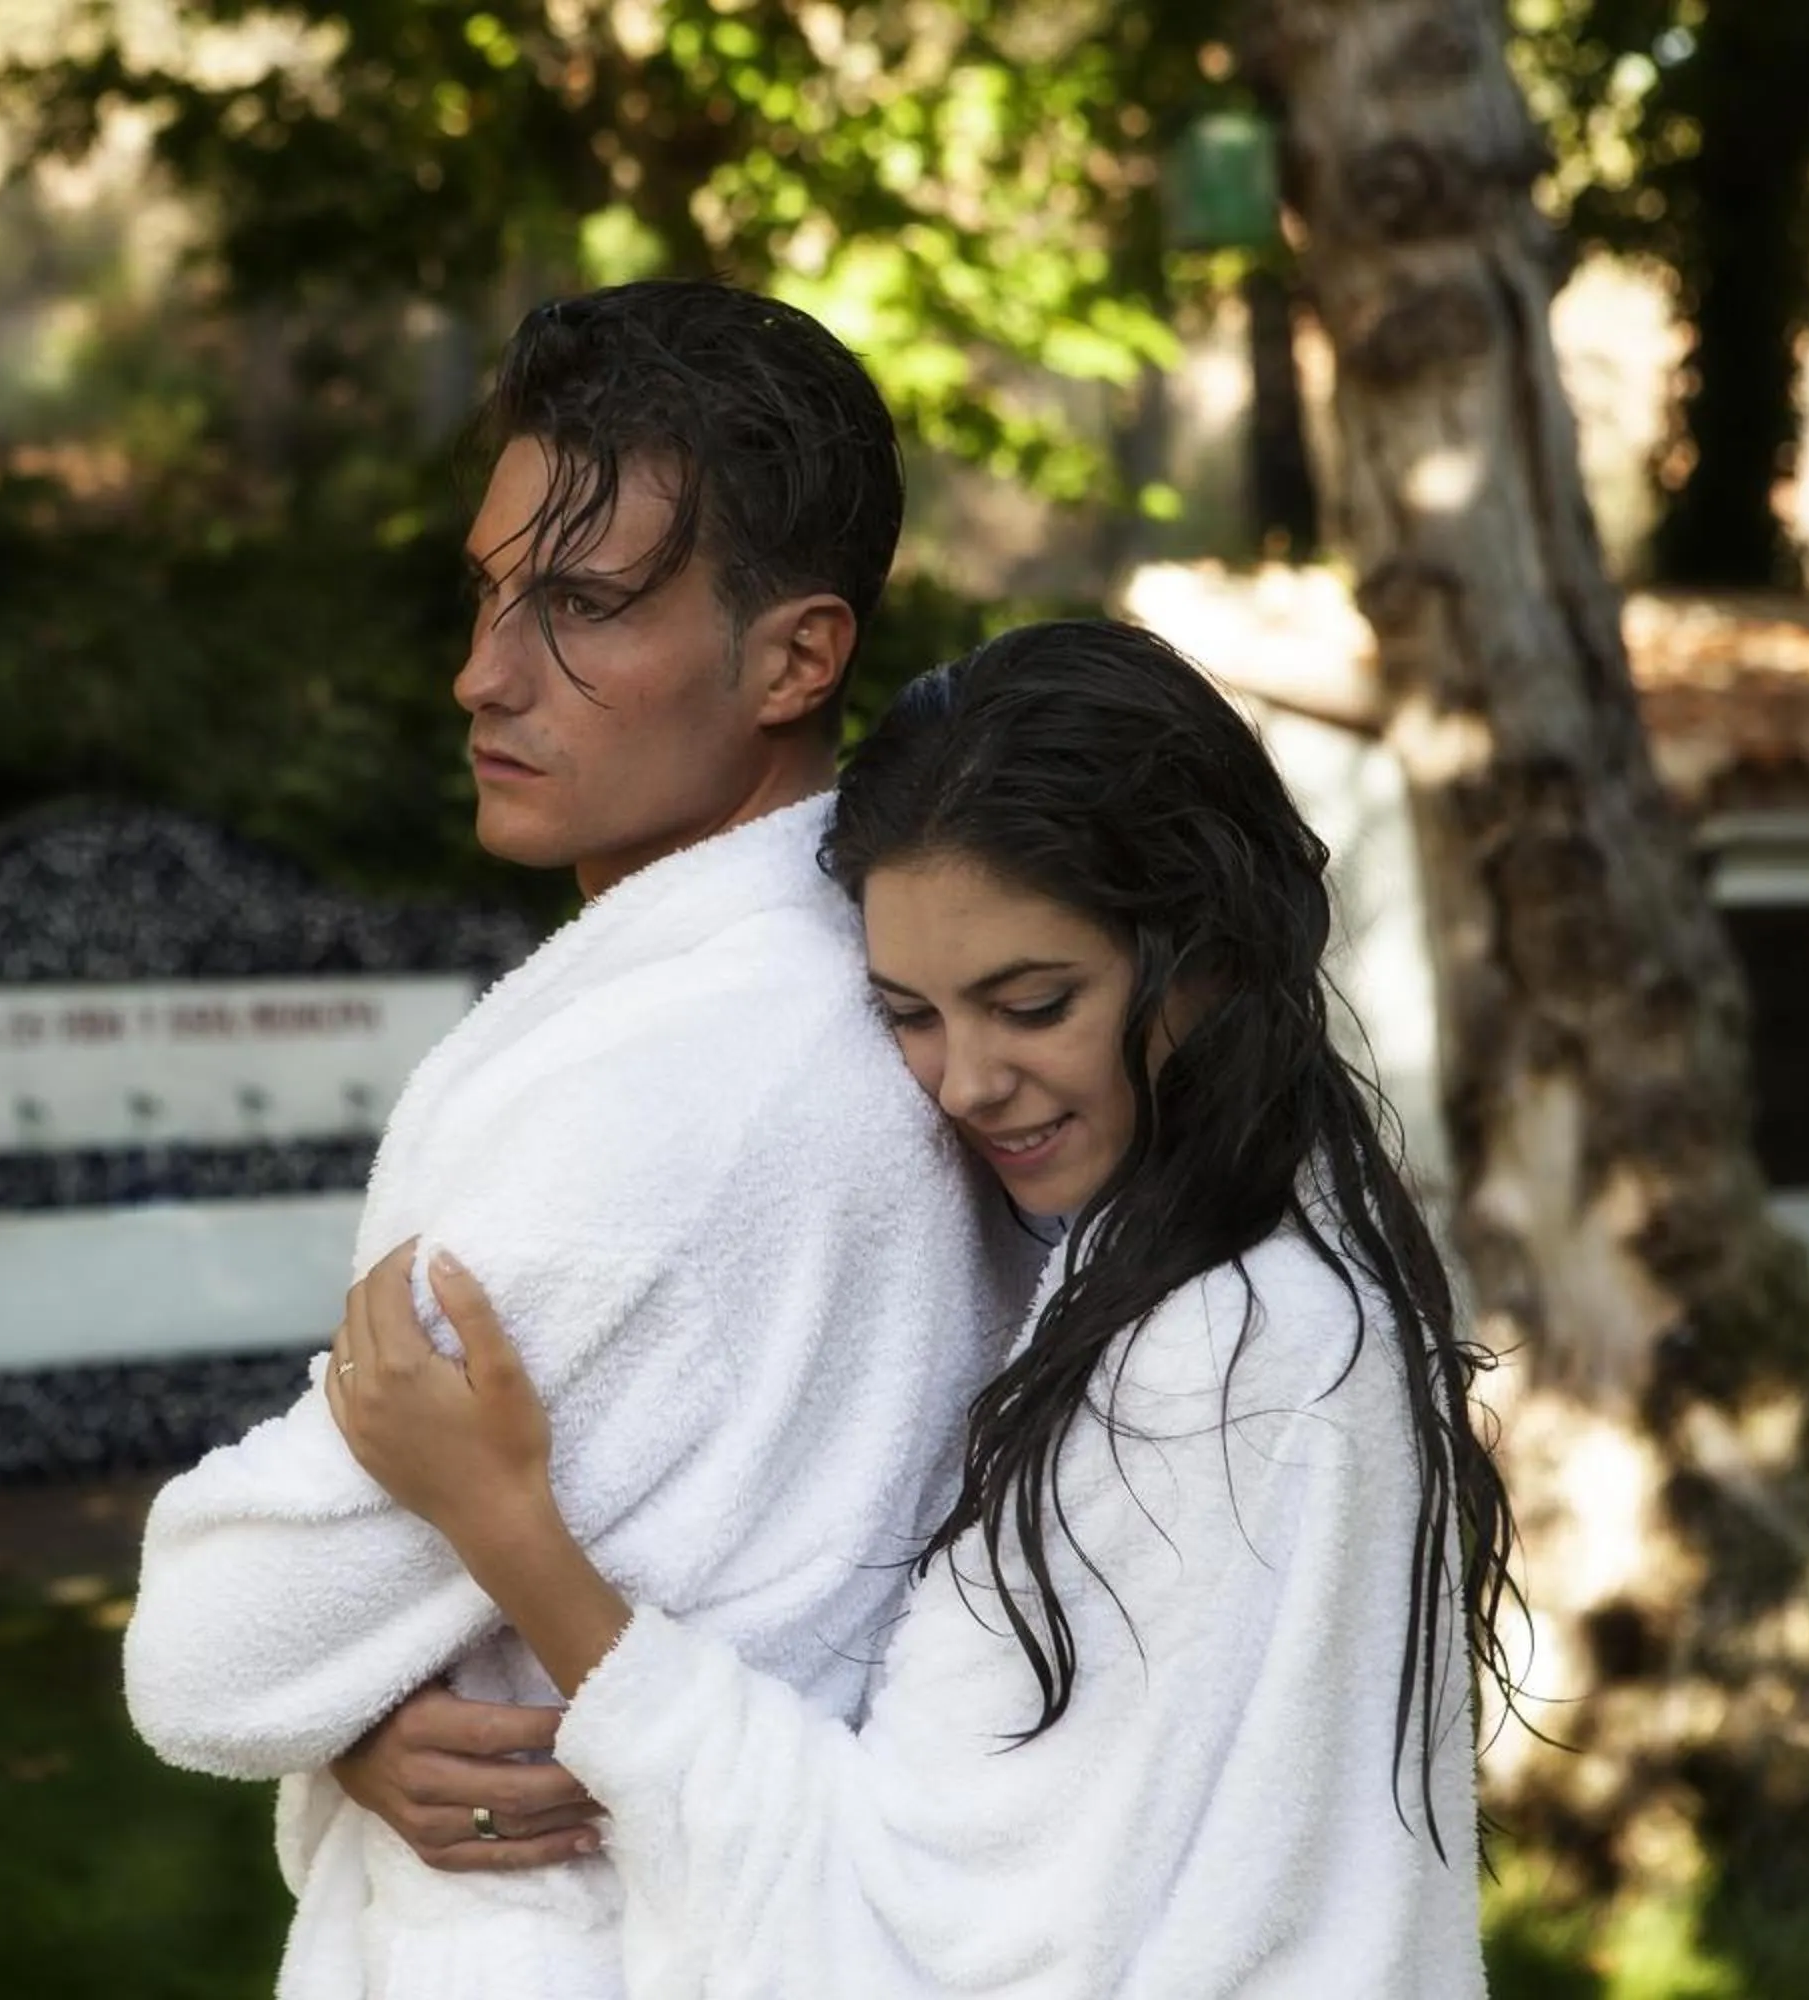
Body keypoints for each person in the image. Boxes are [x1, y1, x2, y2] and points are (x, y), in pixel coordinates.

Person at [325, 619, 1519, 1997]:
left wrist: (507, 1527)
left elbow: (890, 1937)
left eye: (1030, 1002)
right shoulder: (1270, 1264)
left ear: (1211, 950)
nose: (965, 1080)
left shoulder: (1215, 1360)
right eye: (912, 1012)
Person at [119, 282, 1040, 1998]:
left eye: (584, 606)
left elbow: (208, 1655)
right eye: (487, 596)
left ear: (801, 655)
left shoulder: (667, 1098)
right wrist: (362, 1720)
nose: (485, 674)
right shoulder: (896, 990)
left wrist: (324, 1699)